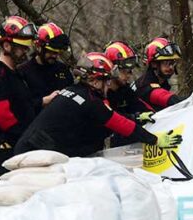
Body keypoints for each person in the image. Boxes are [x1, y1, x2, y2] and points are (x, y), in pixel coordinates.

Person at [14, 52, 182, 158]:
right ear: (94, 81)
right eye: (106, 80)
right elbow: (120, 124)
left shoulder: (72, 90)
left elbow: (113, 117)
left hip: (28, 148)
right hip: (36, 154)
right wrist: (154, 140)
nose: (109, 85)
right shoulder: (91, 101)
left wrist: (135, 117)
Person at [0, 16, 58, 175]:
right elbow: (5, 118)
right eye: (21, 48)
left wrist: (42, 102)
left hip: (23, 144)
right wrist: (28, 138)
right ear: (6, 45)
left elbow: (23, 105)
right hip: (9, 149)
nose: (25, 51)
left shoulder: (15, 74)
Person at [18, 22, 74, 100]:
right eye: (51, 51)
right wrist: (43, 101)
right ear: (38, 47)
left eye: (57, 52)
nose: (55, 56)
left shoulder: (63, 69)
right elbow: (21, 104)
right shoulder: (23, 72)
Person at [104, 40, 153, 123]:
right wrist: (135, 118)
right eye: (125, 70)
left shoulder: (125, 90)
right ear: (113, 70)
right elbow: (111, 118)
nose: (129, 75)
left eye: (130, 71)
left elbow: (141, 106)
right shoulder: (102, 95)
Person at [133, 37, 184, 112]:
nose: (171, 67)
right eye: (166, 63)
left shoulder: (162, 83)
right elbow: (167, 98)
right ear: (154, 64)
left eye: (173, 63)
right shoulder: (146, 86)